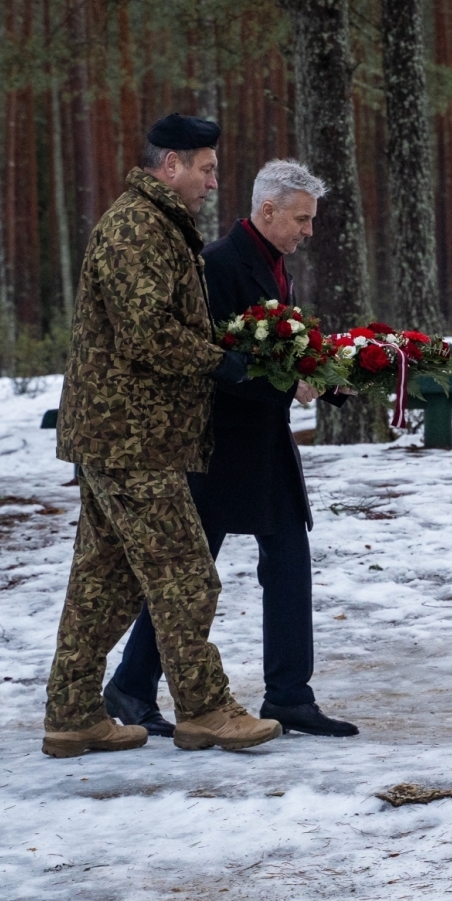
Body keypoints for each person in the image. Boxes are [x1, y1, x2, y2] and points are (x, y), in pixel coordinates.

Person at [42, 114, 282, 757]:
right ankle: (205, 710)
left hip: (129, 433)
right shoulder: (136, 227)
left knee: (104, 580)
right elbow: (144, 331)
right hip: (127, 436)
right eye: (204, 169)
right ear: (169, 164)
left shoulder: (159, 225)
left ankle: (71, 716)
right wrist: (219, 362)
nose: (211, 182)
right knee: (186, 573)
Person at [103, 159, 359, 739]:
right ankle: (132, 683)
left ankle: (290, 694)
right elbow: (206, 358)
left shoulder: (273, 262)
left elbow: (281, 349)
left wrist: (329, 376)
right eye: (301, 219)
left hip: (264, 441)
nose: (308, 231)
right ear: (266, 210)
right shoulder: (217, 264)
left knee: (289, 559)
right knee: (191, 574)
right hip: (219, 445)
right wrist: (286, 382)